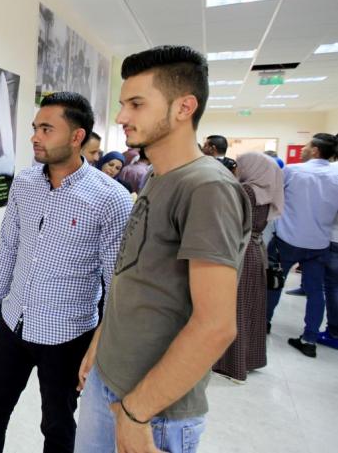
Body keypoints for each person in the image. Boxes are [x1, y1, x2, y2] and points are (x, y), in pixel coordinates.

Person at [74, 45, 251, 453]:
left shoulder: (206, 188)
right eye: (122, 104)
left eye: (136, 104)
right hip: (112, 382)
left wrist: (136, 413)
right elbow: (137, 276)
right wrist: (102, 343)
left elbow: (216, 326)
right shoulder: (158, 175)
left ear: (183, 107)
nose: (121, 117)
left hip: (154, 410)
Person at [0, 92, 132, 453]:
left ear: (77, 137)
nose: (35, 137)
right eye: (35, 128)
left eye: (46, 128)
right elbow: (8, 248)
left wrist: (100, 345)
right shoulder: (25, 184)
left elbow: (117, 282)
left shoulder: (111, 198)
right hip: (14, 323)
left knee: (57, 425)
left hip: (67, 335)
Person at [213, 152, 284, 383]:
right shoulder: (266, 191)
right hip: (255, 251)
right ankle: (249, 358)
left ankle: (231, 364)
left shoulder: (245, 191)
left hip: (241, 251)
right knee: (252, 308)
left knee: (236, 308)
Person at [267, 133, 338, 357]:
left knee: (273, 282)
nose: (303, 148)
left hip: (287, 240)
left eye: (307, 145)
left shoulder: (293, 170)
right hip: (319, 243)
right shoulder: (336, 174)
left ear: (315, 150)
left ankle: (264, 323)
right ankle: (309, 339)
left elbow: (275, 198)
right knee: (316, 291)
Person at [321, 148, 338, 350]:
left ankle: (334, 330)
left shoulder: (331, 172)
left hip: (330, 236)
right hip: (327, 236)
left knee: (332, 287)